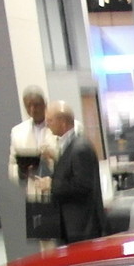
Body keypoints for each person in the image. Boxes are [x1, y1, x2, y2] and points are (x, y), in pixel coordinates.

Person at [44, 102, 104, 243]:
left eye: (50, 120)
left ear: (63, 122)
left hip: (81, 227)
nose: (47, 124)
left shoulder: (80, 148)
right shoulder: (69, 146)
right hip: (70, 226)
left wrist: (51, 185)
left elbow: (82, 186)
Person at [10, 86, 55, 244]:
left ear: (45, 104)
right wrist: (22, 171)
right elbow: (12, 165)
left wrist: (51, 157)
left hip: (58, 190)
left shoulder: (59, 124)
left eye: (36, 105)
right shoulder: (17, 132)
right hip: (35, 193)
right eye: (28, 105)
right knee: (45, 244)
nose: (32, 109)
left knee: (65, 245)